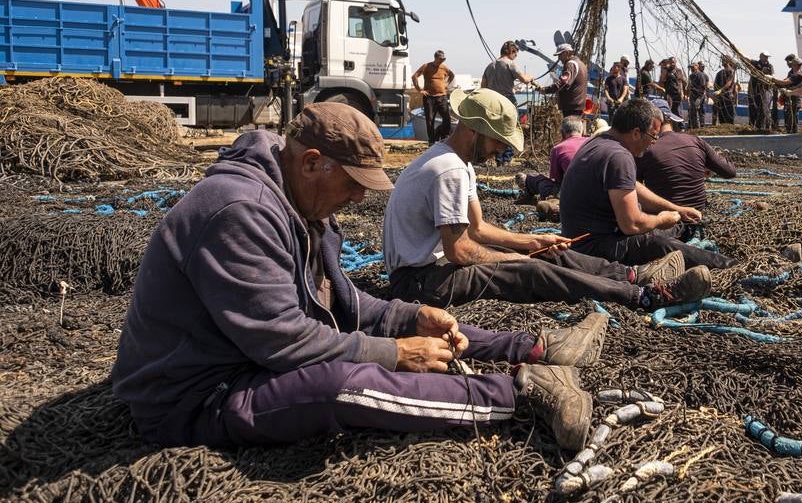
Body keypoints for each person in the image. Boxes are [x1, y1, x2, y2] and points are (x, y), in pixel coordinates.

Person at [111, 102, 599, 453]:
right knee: (338, 386)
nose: (361, 201)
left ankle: (534, 348)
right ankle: (524, 393)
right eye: (354, 184)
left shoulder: (299, 203)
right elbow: (283, 343)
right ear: (311, 164)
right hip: (197, 395)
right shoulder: (240, 212)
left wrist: (411, 317)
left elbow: (344, 304)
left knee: (415, 322)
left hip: (245, 357)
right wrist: (393, 353)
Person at [385, 90, 711, 315]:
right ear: (472, 130)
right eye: (498, 142)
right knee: (531, 269)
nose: (500, 151)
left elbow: (479, 228)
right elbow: (460, 251)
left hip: (433, 270)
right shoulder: (449, 170)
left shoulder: (457, 163)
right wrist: (517, 257)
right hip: (421, 282)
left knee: (545, 252)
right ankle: (643, 296)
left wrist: (533, 241)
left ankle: (629, 275)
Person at [560, 98, 735, 270]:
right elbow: (632, 224)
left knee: (661, 230)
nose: (654, 143)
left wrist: (677, 209)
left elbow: (633, 186)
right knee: (657, 243)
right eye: (653, 136)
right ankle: (729, 266)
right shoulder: (619, 156)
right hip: (593, 248)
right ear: (636, 133)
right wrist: (660, 220)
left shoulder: (596, 143)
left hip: (580, 239)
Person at [636, 97, 737, 225]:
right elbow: (730, 172)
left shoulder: (645, 149)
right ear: (671, 119)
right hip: (698, 214)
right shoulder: (695, 141)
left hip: (666, 218)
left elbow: (633, 189)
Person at [517, 116, 588, 201]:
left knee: (538, 181)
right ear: (582, 131)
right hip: (597, 192)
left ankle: (527, 186)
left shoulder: (558, 149)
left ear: (562, 132)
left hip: (571, 195)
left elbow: (556, 178)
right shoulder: (593, 142)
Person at [413, 49, 454, 145]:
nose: (442, 61)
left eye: (443, 59)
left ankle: (444, 137)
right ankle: (431, 141)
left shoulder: (444, 67)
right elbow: (414, 76)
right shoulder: (426, 66)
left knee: (447, 118)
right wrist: (419, 90)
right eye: (440, 59)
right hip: (429, 98)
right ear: (435, 58)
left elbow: (452, 75)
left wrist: (446, 84)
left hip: (442, 97)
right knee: (430, 120)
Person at [540, 44, 588, 118]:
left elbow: (563, 83)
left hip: (571, 106)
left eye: (560, 55)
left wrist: (545, 90)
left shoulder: (570, 64)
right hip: (578, 105)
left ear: (566, 53)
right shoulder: (581, 64)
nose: (559, 58)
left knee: (569, 128)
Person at [777, 55, 802, 134]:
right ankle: (788, 131)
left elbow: (786, 82)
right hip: (789, 96)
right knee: (788, 114)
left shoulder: (799, 74)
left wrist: (773, 79)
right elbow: (785, 80)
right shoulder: (791, 72)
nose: (790, 65)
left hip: (795, 97)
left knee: (793, 116)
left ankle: (794, 133)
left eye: (792, 64)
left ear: (796, 65)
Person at [749, 52, 775, 131]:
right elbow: (747, 60)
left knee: (763, 109)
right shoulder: (755, 63)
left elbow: (772, 76)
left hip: (765, 90)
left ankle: (761, 127)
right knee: (753, 108)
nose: (766, 58)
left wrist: (764, 74)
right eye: (765, 57)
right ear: (760, 57)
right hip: (754, 90)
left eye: (767, 57)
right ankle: (751, 125)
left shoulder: (770, 66)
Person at [712, 56, 739, 125]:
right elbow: (716, 86)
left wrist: (719, 91)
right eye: (722, 60)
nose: (722, 61)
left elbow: (729, 83)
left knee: (727, 118)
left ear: (728, 61)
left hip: (727, 97)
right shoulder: (720, 73)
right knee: (724, 118)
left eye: (723, 60)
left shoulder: (731, 71)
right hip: (724, 98)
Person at [687, 62, 708, 130]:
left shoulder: (700, 75)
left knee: (698, 111)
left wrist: (700, 97)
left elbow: (703, 87)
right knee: (692, 111)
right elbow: (689, 86)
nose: (692, 68)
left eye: (693, 67)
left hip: (699, 96)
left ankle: (698, 127)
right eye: (691, 67)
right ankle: (693, 126)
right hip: (692, 96)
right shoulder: (691, 76)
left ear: (697, 66)